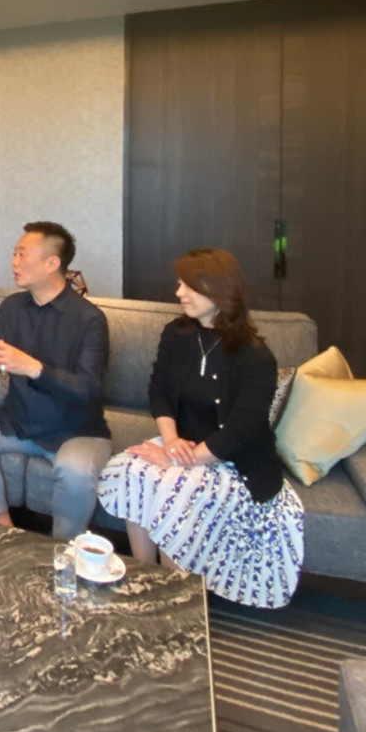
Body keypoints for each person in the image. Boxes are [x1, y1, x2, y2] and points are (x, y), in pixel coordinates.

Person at [96, 248, 304, 609]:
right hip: (184, 445)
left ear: (220, 291)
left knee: (173, 488)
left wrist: (179, 460)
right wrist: (171, 441)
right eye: (179, 284)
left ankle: (175, 596)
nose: (179, 293)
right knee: (132, 469)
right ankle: (146, 576)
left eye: (189, 286)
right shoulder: (176, 334)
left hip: (234, 462)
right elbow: (159, 391)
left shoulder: (256, 357)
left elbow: (242, 430)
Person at [0, 222, 111, 540]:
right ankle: (0, 528)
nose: (14, 262)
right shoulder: (12, 307)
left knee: (76, 472)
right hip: (20, 421)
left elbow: (87, 389)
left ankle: (61, 549)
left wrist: (34, 368)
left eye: (22, 254)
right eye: (14, 253)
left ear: (52, 263)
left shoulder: (90, 319)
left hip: (74, 429)